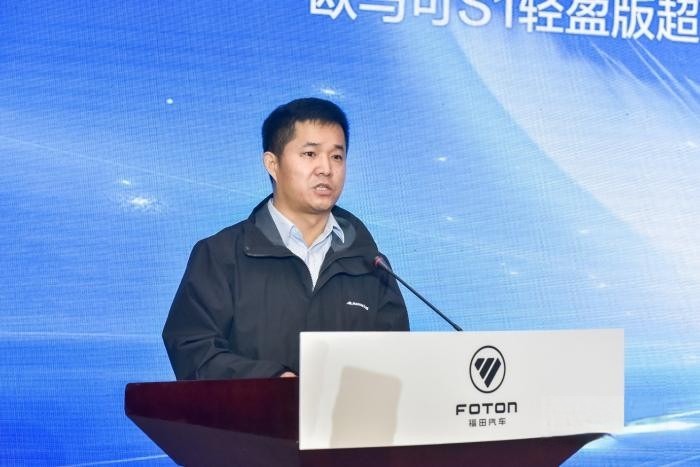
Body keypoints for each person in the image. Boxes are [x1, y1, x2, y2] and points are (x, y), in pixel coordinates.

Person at [162, 97, 409, 379]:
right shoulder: (221, 255)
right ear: (272, 164)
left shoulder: (371, 264)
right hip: (252, 409)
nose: (326, 168)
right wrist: (273, 383)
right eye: (310, 154)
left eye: (337, 156)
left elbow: (395, 364)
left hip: (347, 410)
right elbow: (193, 349)